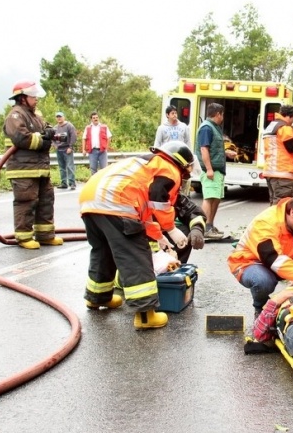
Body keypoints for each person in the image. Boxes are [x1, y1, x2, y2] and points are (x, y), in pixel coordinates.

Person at [79, 140, 195, 330]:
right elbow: (159, 199)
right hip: (116, 203)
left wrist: (160, 237)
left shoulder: (146, 164)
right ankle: (145, 315)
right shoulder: (169, 169)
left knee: (103, 251)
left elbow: (144, 213)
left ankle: (97, 298)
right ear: (182, 164)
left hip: (90, 201)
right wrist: (171, 229)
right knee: (135, 255)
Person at [228, 193, 293, 316]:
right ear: (292, 213)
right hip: (249, 263)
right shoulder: (265, 222)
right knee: (262, 281)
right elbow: (273, 259)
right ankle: (261, 308)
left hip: (281, 261)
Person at [3, 80, 63, 250]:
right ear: (22, 98)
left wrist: (50, 133)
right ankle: (24, 236)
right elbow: (21, 138)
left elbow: (46, 130)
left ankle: (45, 235)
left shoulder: (36, 115)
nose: (36, 99)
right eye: (32, 96)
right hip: (23, 170)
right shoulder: (15, 115)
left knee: (46, 200)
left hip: (41, 168)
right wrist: (43, 141)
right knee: (26, 202)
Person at [194, 102, 236, 240]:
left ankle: (210, 225)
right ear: (218, 114)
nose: (223, 117)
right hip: (211, 170)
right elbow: (204, 149)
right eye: (222, 114)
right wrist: (209, 169)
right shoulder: (206, 128)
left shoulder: (214, 127)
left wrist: (226, 152)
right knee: (209, 197)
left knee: (216, 198)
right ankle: (204, 227)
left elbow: (213, 147)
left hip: (218, 170)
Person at [261, 105, 293, 205]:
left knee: (274, 204)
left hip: (271, 171)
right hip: (283, 172)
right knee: (283, 205)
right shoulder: (285, 128)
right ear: (289, 116)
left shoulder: (271, 126)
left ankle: (272, 221)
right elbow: (291, 147)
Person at [155, 105, 200, 194]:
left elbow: (188, 142)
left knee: (182, 178)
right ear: (167, 115)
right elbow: (157, 143)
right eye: (172, 113)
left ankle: (183, 194)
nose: (175, 115)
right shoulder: (162, 128)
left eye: (175, 113)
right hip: (167, 158)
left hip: (181, 158)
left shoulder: (184, 127)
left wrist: (190, 159)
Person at [81, 112, 112, 176]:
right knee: (93, 168)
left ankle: (104, 184)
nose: (95, 119)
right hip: (92, 151)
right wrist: (83, 149)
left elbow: (109, 137)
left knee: (104, 168)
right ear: (91, 119)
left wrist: (106, 147)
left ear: (98, 118)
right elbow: (84, 138)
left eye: (97, 117)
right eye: (94, 118)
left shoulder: (104, 127)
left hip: (102, 151)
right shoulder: (88, 128)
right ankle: (94, 184)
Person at [53, 112, 77, 190]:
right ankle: (64, 183)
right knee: (61, 167)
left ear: (64, 117)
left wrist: (70, 147)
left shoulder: (69, 126)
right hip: (59, 149)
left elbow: (73, 136)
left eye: (60, 116)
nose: (59, 118)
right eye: (57, 117)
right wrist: (54, 145)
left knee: (70, 166)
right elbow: (52, 138)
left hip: (67, 149)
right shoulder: (55, 128)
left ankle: (72, 183)